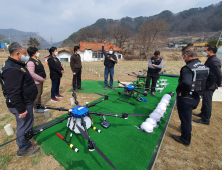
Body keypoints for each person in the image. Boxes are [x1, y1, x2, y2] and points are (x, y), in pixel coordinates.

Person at [0, 42, 40, 157]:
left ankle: (24, 143)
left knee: (24, 124)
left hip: (25, 100)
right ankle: (23, 148)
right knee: (24, 125)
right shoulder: (12, 70)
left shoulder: (14, 64)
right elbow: (13, 92)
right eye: (24, 53)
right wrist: (21, 109)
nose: (26, 55)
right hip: (21, 103)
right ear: (18, 53)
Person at [172, 46, 211, 147]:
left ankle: (185, 139)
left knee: (185, 119)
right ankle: (185, 130)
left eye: (183, 56)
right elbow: (211, 79)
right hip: (196, 97)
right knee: (186, 118)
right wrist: (202, 90)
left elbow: (186, 82)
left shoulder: (187, 68)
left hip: (186, 98)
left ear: (186, 55)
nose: (183, 58)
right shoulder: (203, 66)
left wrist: (183, 93)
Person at [193, 45, 222, 124]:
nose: (205, 52)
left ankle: (205, 119)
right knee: (204, 100)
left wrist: (219, 83)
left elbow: (218, 74)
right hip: (208, 83)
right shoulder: (211, 59)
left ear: (211, 51)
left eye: (206, 50)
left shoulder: (214, 61)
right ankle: (202, 113)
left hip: (210, 84)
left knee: (207, 101)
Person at [27, 46, 46, 113]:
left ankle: (39, 105)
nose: (38, 53)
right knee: (36, 95)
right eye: (37, 52)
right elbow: (32, 74)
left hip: (40, 81)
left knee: (39, 94)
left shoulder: (37, 60)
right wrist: (41, 79)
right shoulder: (30, 62)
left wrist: (44, 76)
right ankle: (36, 109)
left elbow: (41, 70)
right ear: (33, 53)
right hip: (36, 82)